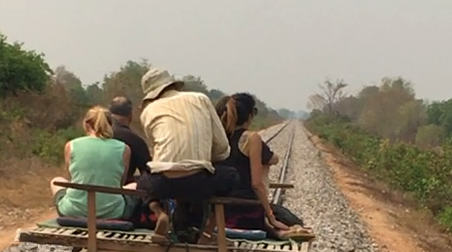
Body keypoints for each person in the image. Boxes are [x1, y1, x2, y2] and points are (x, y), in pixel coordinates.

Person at [135, 68, 239, 236]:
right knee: (232, 176)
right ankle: (208, 231)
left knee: (142, 182)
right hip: (198, 182)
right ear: (173, 85)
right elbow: (222, 149)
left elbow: (157, 153)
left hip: (163, 183)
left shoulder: (148, 111)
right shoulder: (200, 99)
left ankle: (160, 213)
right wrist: (202, 159)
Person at [215, 94, 311, 236]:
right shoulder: (250, 138)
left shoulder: (217, 137)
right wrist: (270, 216)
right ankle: (273, 227)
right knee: (292, 221)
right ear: (249, 116)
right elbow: (256, 184)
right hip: (247, 212)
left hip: (219, 212)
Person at [52, 107, 134, 222]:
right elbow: (120, 184)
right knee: (133, 186)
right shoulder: (124, 149)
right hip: (113, 212)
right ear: (111, 125)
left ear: (86, 124)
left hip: (73, 211)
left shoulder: (71, 145)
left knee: (56, 180)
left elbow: (72, 180)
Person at [108, 95, 151, 177]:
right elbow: (147, 171)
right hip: (124, 183)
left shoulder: (98, 134)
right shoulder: (135, 141)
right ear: (131, 114)